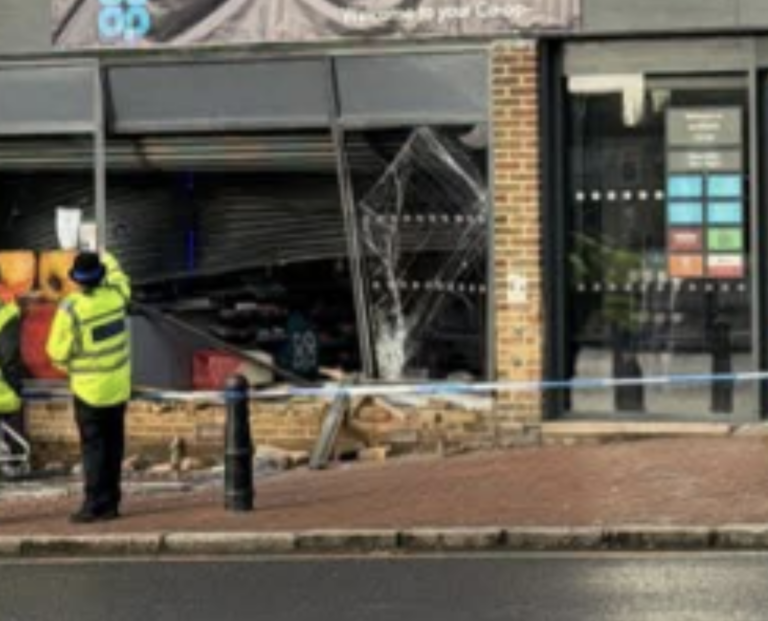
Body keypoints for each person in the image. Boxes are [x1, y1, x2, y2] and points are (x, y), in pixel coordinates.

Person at [47, 251, 131, 523]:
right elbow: (120, 277)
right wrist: (106, 256)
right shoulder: (117, 297)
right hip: (117, 389)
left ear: (77, 280)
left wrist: (69, 368)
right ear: (101, 275)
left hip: (89, 392)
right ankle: (111, 504)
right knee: (114, 447)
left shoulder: (71, 309)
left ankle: (92, 505)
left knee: (93, 449)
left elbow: (56, 352)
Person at [0, 289, 25, 473]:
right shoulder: (8, 316)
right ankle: (15, 461)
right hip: (5, 390)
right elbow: (9, 360)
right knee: (13, 404)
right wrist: (14, 388)